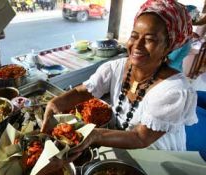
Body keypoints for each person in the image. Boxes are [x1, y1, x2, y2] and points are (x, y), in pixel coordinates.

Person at [41, 0, 197, 170]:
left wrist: (94, 135)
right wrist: (56, 102)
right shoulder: (115, 68)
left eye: (150, 39)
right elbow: (82, 92)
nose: (137, 45)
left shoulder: (174, 91)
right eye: (134, 35)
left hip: (158, 157)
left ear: (168, 47)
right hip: (120, 142)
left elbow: (140, 138)